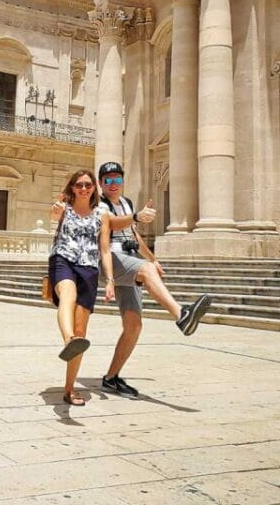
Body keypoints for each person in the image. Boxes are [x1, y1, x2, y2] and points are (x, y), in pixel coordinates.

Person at [96, 161, 212, 397]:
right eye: (107, 180)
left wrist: (153, 257)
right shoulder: (98, 204)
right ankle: (182, 315)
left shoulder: (126, 202)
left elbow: (134, 235)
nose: (113, 184)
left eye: (117, 179)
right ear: (101, 184)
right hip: (108, 261)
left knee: (134, 326)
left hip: (129, 261)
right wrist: (137, 216)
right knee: (146, 270)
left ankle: (111, 378)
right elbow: (112, 224)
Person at [48, 170, 115, 406]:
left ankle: (69, 388)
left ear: (94, 188)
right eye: (79, 185)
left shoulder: (102, 214)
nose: (83, 189)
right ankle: (68, 341)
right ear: (72, 187)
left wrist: (110, 280)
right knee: (68, 293)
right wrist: (56, 212)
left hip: (89, 270)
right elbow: (54, 215)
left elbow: (105, 249)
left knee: (81, 332)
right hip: (63, 260)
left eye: (88, 185)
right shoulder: (63, 207)